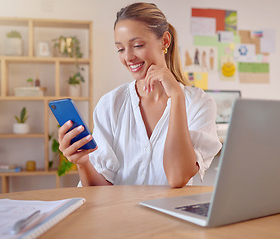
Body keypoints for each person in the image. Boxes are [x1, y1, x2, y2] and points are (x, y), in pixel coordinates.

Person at [58, 2, 222, 188]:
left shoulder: (199, 104)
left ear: (165, 41)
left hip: (169, 217)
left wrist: (177, 96)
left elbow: (177, 178)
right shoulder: (110, 104)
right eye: (120, 49)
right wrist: (83, 162)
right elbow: (99, 192)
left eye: (137, 45)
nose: (128, 57)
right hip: (119, 215)